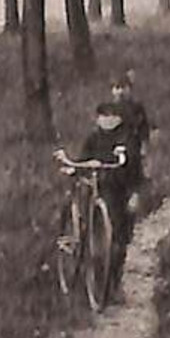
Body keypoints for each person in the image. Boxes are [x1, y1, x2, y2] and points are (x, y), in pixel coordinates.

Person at [55, 101, 137, 301]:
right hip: (96, 185)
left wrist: (135, 192)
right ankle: (81, 236)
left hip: (118, 192)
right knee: (89, 219)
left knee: (118, 241)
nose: (107, 120)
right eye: (103, 116)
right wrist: (78, 165)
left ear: (119, 118)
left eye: (111, 116)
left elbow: (135, 170)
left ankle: (113, 285)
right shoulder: (93, 138)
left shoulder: (127, 139)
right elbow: (84, 158)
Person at [109, 72, 156, 213]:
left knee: (135, 169)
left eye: (123, 88)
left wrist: (144, 146)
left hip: (131, 146)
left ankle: (135, 196)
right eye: (116, 88)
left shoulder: (136, 108)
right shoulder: (110, 109)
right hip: (114, 148)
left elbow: (144, 128)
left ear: (130, 89)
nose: (120, 92)